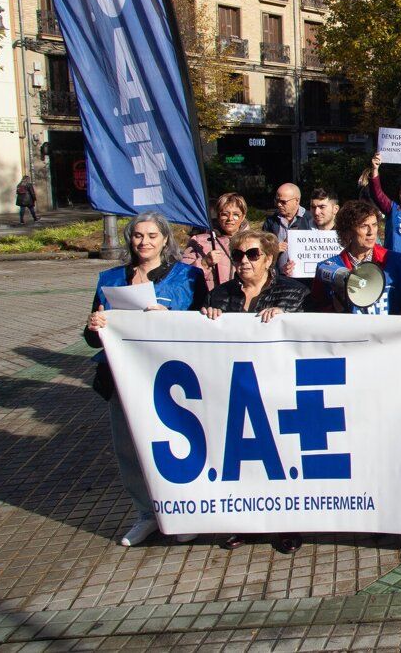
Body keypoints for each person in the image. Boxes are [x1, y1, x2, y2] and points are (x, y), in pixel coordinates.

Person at [83, 213, 207, 547]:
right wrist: (95, 325)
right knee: (129, 448)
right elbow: (91, 337)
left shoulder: (188, 277)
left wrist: (171, 320)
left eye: (152, 235)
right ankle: (146, 514)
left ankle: (184, 512)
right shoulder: (111, 279)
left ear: (166, 239)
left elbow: (204, 326)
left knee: (178, 446)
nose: (144, 242)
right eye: (138, 236)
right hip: (123, 380)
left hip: (172, 379)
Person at [200, 229, 310, 554]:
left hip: (277, 391)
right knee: (241, 461)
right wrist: (206, 318)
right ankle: (244, 522)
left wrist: (288, 318)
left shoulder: (294, 293)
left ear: (269, 258)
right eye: (238, 255)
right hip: (234, 391)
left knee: (282, 460)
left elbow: (311, 333)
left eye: (252, 254)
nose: (244, 261)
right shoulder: (218, 296)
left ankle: (285, 525)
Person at [314, 200, 401, 315]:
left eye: (374, 225)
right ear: (348, 231)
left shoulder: (398, 262)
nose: (371, 232)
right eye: (364, 226)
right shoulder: (328, 268)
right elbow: (319, 309)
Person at [182, 192, 250, 291]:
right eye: (224, 214)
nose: (230, 219)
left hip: (242, 300)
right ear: (218, 216)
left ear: (243, 216)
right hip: (209, 301)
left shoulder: (254, 241)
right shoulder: (198, 241)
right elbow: (183, 276)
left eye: (236, 215)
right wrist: (204, 263)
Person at [261, 183, 314, 271]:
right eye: (277, 201)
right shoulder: (271, 221)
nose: (279, 205)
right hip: (277, 276)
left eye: (283, 202)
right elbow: (261, 248)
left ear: (297, 201)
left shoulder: (310, 220)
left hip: (303, 278)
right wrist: (274, 249)